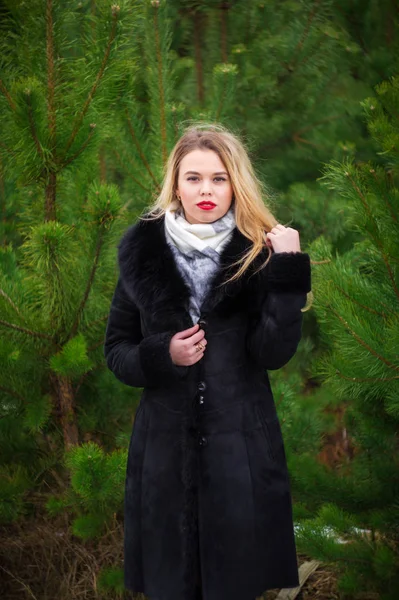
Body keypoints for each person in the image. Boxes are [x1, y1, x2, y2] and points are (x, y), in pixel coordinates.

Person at [103, 123, 312, 600]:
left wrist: (287, 272)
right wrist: (163, 354)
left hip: (239, 451)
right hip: (163, 454)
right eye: (193, 177)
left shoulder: (260, 251)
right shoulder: (142, 253)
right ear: (174, 183)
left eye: (219, 178)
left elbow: (273, 354)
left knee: (234, 584)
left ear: (236, 183)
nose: (206, 190)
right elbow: (116, 351)